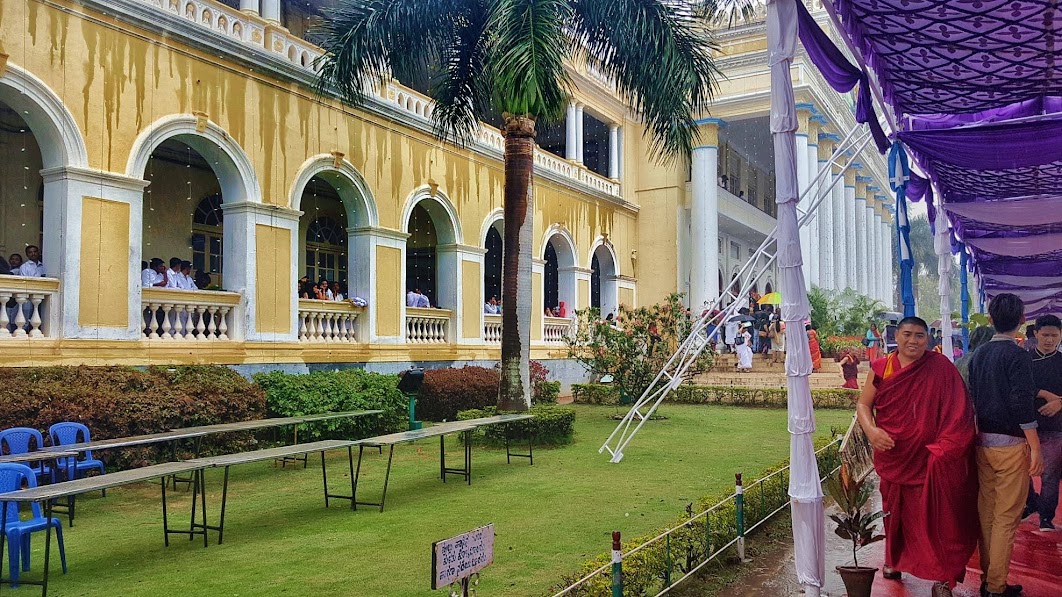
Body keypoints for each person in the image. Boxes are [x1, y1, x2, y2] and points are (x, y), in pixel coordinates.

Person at [856, 316, 978, 597]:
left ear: (928, 339)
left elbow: (960, 413)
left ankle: (942, 577)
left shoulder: (941, 368)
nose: (913, 341)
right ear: (896, 337)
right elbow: (864, 404)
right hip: (894, 454)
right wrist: (872, 431)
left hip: (930, 460)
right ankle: (893, 559)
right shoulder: (882, 367)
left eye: (920, 335)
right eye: (908, 334)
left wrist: (945, 448)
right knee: (894, 512)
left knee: (937, 518)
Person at [968, 293, 1043, 597]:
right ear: (1023, 320)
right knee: (1006, 518)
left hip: (982, 443)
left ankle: (990, 579)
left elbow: (972, 400)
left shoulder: (979, 355)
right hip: (1012, 446)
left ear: (990, 319)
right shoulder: (1019, 356)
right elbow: (1022, 403)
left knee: (987, 513)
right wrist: (1035, 447)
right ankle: (995, 587)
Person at [1025, 315, 1062, 532]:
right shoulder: (1025, 360)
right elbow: (1017, 390)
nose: (1049, 340)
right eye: (1045, 335)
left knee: (1050, 473)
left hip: (1056, 427)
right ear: (1036, 334)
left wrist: (1060, 403)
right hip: (1025, 425)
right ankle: (1031, 503)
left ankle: (1046, 517)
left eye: (1054, 336)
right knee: (1023, 471)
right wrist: (1044, 394)